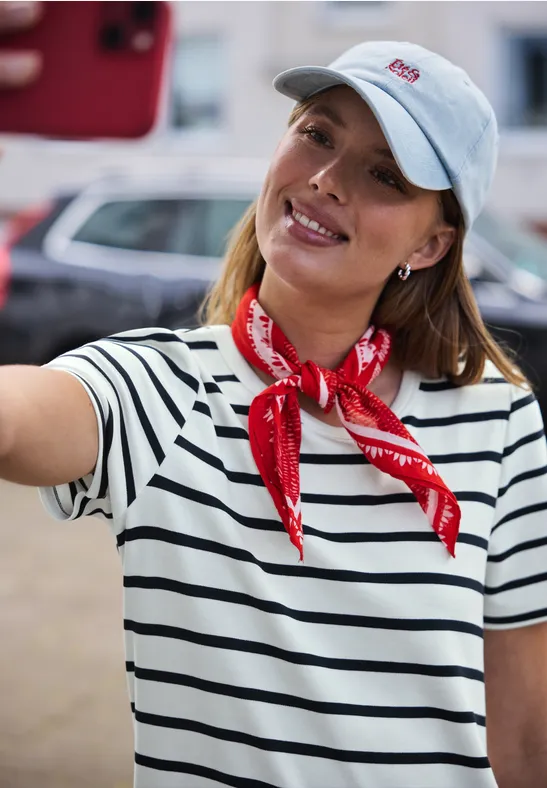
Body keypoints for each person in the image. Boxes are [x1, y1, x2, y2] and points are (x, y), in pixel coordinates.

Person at [1, 6, 547, 788]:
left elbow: (524, 739)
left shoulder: (497, 417)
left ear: (430, 245)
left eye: (385, 174)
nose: (325, 179)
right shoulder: (160, 390)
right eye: (317, 134)